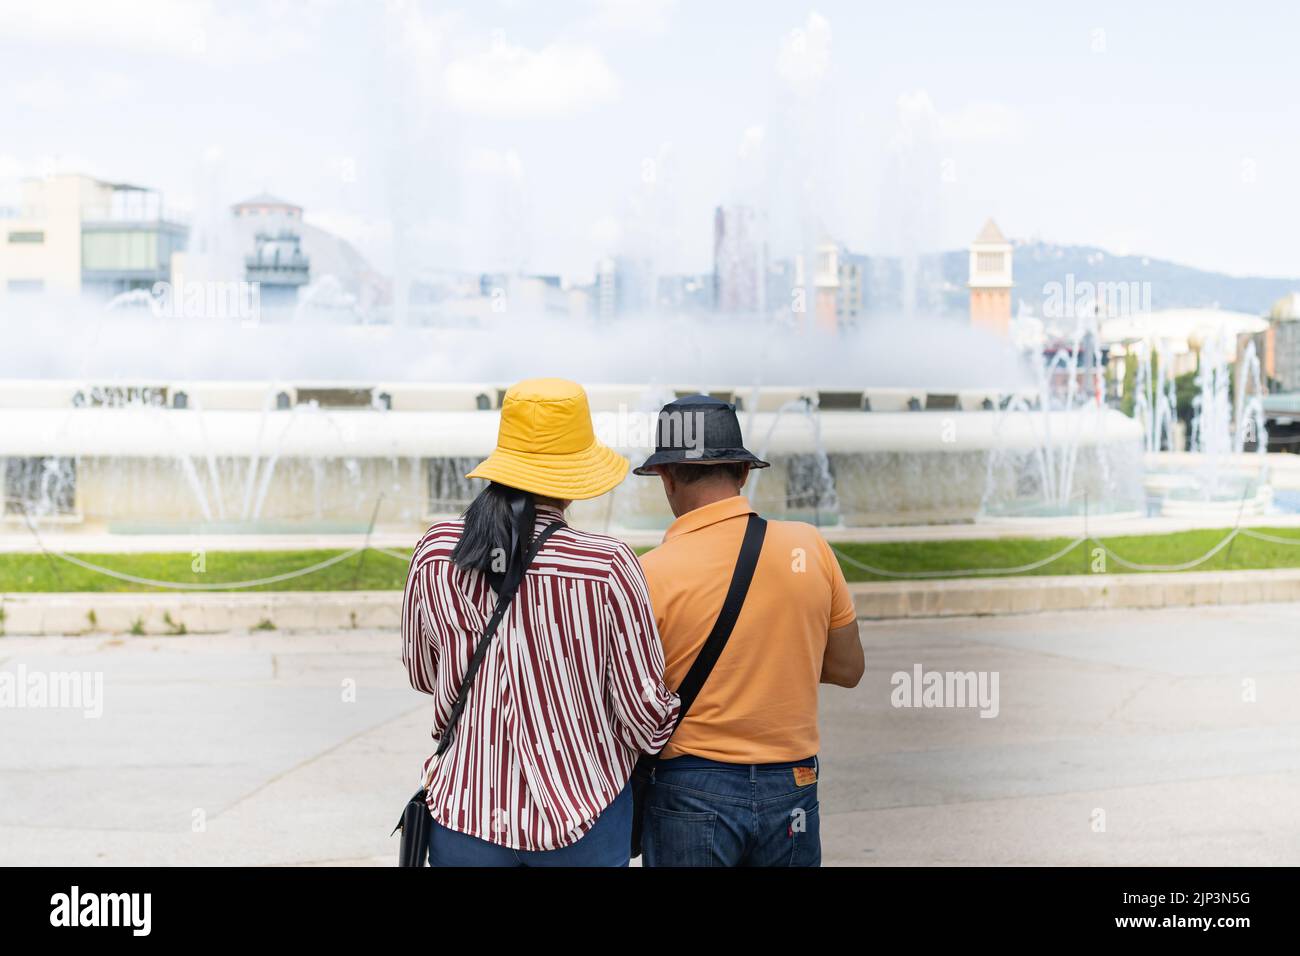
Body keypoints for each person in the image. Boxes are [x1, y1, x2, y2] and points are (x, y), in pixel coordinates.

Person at [402, 378, 679, 866]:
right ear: (574, 476)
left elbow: (424, 674)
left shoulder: (436, 548)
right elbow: (642, 715)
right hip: (583, 815)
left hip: (466, 813)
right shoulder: (607, 564)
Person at [634, 394, 863, 867]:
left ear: (667, 476)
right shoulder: (809, 546)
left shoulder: (648, 573)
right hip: (793, 786)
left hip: (690, 789)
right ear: (742, 473)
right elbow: (848, 668)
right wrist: (777, 659)